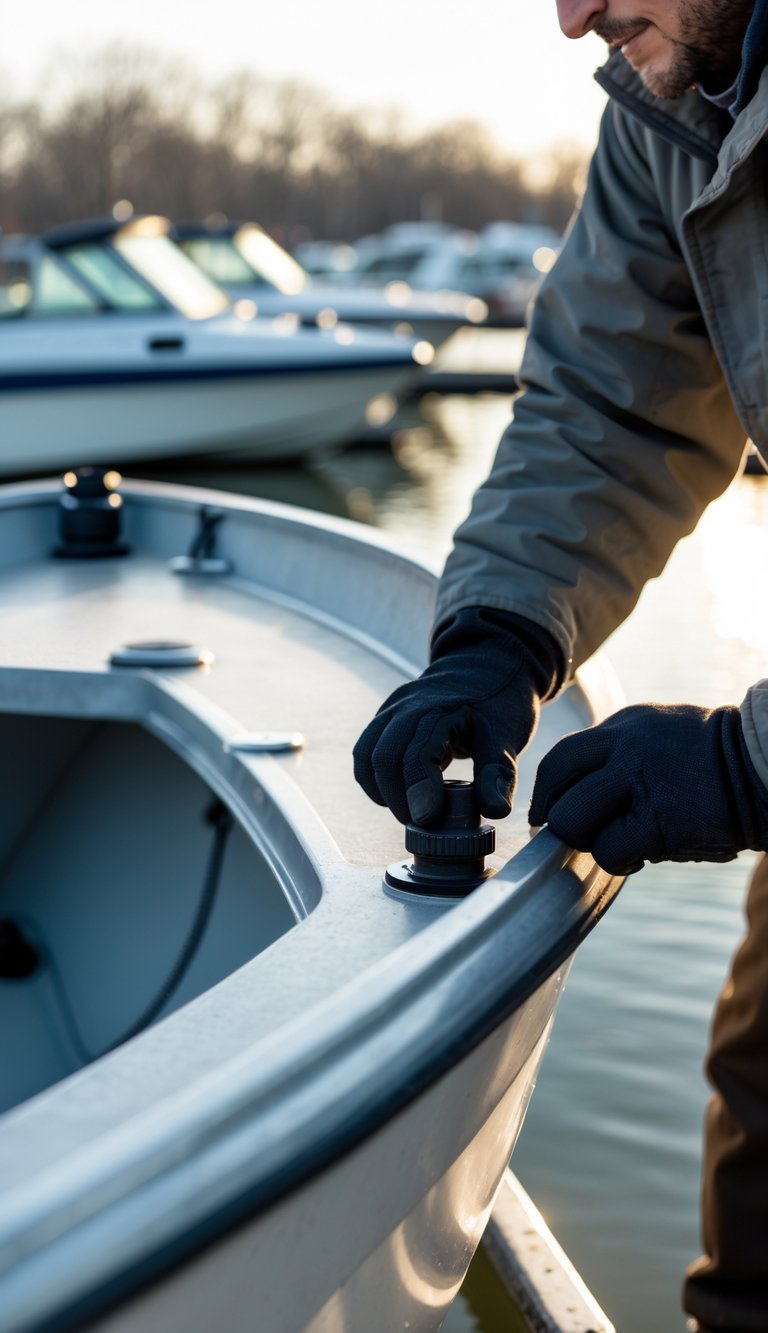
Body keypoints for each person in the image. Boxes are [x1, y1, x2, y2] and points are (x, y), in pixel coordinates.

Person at [353, 2, 768, 1329]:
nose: (572, 14)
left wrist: (741, 765)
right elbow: (610, 399)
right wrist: (498, 634)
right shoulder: (672, 102)